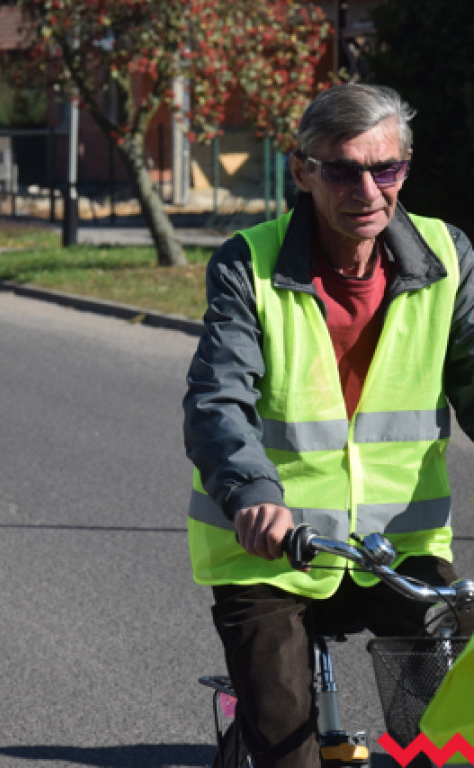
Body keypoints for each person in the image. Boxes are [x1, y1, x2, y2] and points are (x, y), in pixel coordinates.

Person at [183, 83, 474, 768]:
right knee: (289, 748)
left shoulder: (448, 256)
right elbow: (217, 400)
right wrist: (254, 493)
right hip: (272, 554)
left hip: (397, 550)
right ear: (303, 170)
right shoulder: (247, 262)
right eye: (343, 169)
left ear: (406, 166)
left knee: (449, 738)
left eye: (386, 169)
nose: (367, 190)